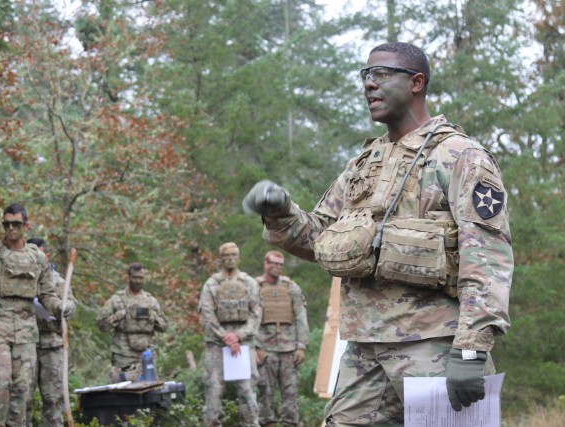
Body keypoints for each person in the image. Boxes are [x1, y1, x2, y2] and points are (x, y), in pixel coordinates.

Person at [243, 42, 513, 426]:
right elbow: (321, 237)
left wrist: (471, 349)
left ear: (416, 82)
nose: (369, 84)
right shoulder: (363, 163)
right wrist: (280, 212)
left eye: (381, 74)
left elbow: (487, 257)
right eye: (365, 76)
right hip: (365, 349)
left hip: (433, 342)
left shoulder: (459, 155)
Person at [0, 203, 73, 427]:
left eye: (16, 224)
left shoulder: (37, 259)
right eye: (6, 224)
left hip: (25, 333)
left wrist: (60, 307)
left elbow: (47, 294)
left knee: (22, 389)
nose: (11, 228)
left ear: (26, 225)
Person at [198, 242, 262, 427]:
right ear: (220, 259)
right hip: (216, 345)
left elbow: (256, 313)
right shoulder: (211, 284)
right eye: (226, 255)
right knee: (214, 390)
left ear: (239, 257)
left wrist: (239, 336)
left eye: (234, 255)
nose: (230, 258)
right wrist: (225, 336)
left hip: (242, 345)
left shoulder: (249, 283)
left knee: (247, 391)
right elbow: (207, 314)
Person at [25, 237, 76, 427]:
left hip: (52, 345)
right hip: (26, 343)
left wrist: (65, 308)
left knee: (53, 397)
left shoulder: (58, 282)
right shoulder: (22, 280)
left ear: (46, 255)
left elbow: (70, 302)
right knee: (23, 397)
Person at [255, 250, 309, 427]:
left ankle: (290, 423)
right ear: (266, 263)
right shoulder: (254, 287)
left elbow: (301, 316)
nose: (278, 267)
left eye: (281, 264)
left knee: (290, 392)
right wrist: (255, 347)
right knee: (265, 391)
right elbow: (249, 319)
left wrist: (301, 346)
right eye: (274, 263)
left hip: (288, 349)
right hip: (265, 349)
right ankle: (266, 423)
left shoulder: (291, 287)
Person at [97, 262, 168, 380]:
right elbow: (101, 325)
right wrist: (118, 316)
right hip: (123, 356)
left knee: (149, 391)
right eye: (135, 277)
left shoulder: (151, 301)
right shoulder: (117, 300)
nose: (138, 281)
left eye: (141, 278)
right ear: (128, 278)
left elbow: (164, 326)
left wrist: (153, 317)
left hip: (147, 355)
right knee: (124, 393)